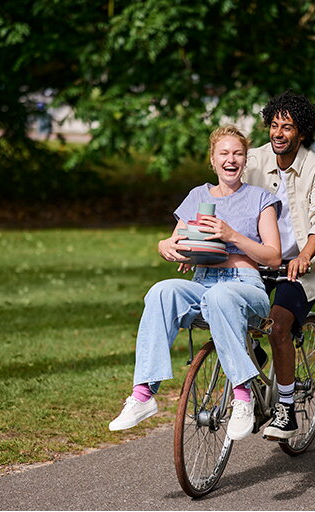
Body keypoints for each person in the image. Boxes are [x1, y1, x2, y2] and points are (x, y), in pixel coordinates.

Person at [109, 125, 282, 441]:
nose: (231, 159)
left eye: (238, 153)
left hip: (245, 287)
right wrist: (166, 247)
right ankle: (143, 394)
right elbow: (175, 240)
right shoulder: (197, 197)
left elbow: (272, 257)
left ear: (246, 161)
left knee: (221, 297)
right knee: (162, 290)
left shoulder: (261, 199)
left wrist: (232, 236)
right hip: (204, 284)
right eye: (224, 153)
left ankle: (241, 397)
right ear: (213, 160)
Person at [243, 91, 315, 440]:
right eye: (274, 125)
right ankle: (252, 366)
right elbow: (227, 187)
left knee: (279, 326)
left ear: (301, 133)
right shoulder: (253, 160)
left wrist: (304, 255)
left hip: (301, 266)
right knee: (229, 312)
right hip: (258, 259)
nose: (278, 133)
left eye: (288, 127)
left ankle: (286, 409)